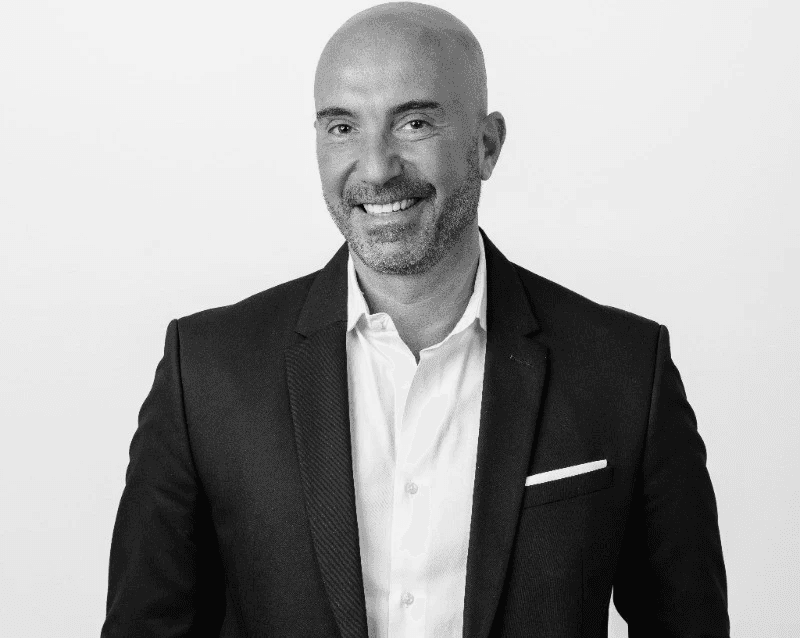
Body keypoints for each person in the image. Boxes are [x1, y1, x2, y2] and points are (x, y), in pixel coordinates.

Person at [102, 3, 729, 637]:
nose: (375, 169)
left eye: (415, 123)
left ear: (486, 146)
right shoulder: (206, 371)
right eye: (342, 127)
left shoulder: (624, 370)